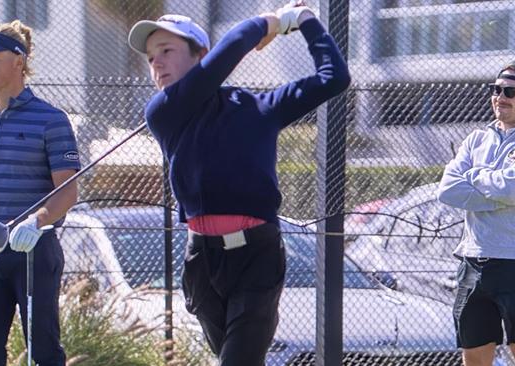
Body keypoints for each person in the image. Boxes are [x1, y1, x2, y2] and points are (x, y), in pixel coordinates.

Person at [127, 1, 350, 364]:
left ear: (201, 55)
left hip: (256, 257)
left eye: (167, 51)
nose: (157, 64)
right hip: (202, 260)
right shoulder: (164, 111)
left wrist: (305, 21)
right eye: (152, 58)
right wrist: (272, 24)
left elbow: (334, 77)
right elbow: (234, 45)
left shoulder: (258, 107)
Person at [0, 20, 80, 366]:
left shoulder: (51, 119)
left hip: (34, 254)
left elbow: (67, 190)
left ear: (18, 61)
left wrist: (36, 222)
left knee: (44, 354)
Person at [437, 59, 515, 366]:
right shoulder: (476, 139)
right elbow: (447, 191)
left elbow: (512, 190)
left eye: (510, 91)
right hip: (472, 260)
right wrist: (497, 190)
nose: (500, 97)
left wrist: (475, 177)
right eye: (495, 89)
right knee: (475, 354)